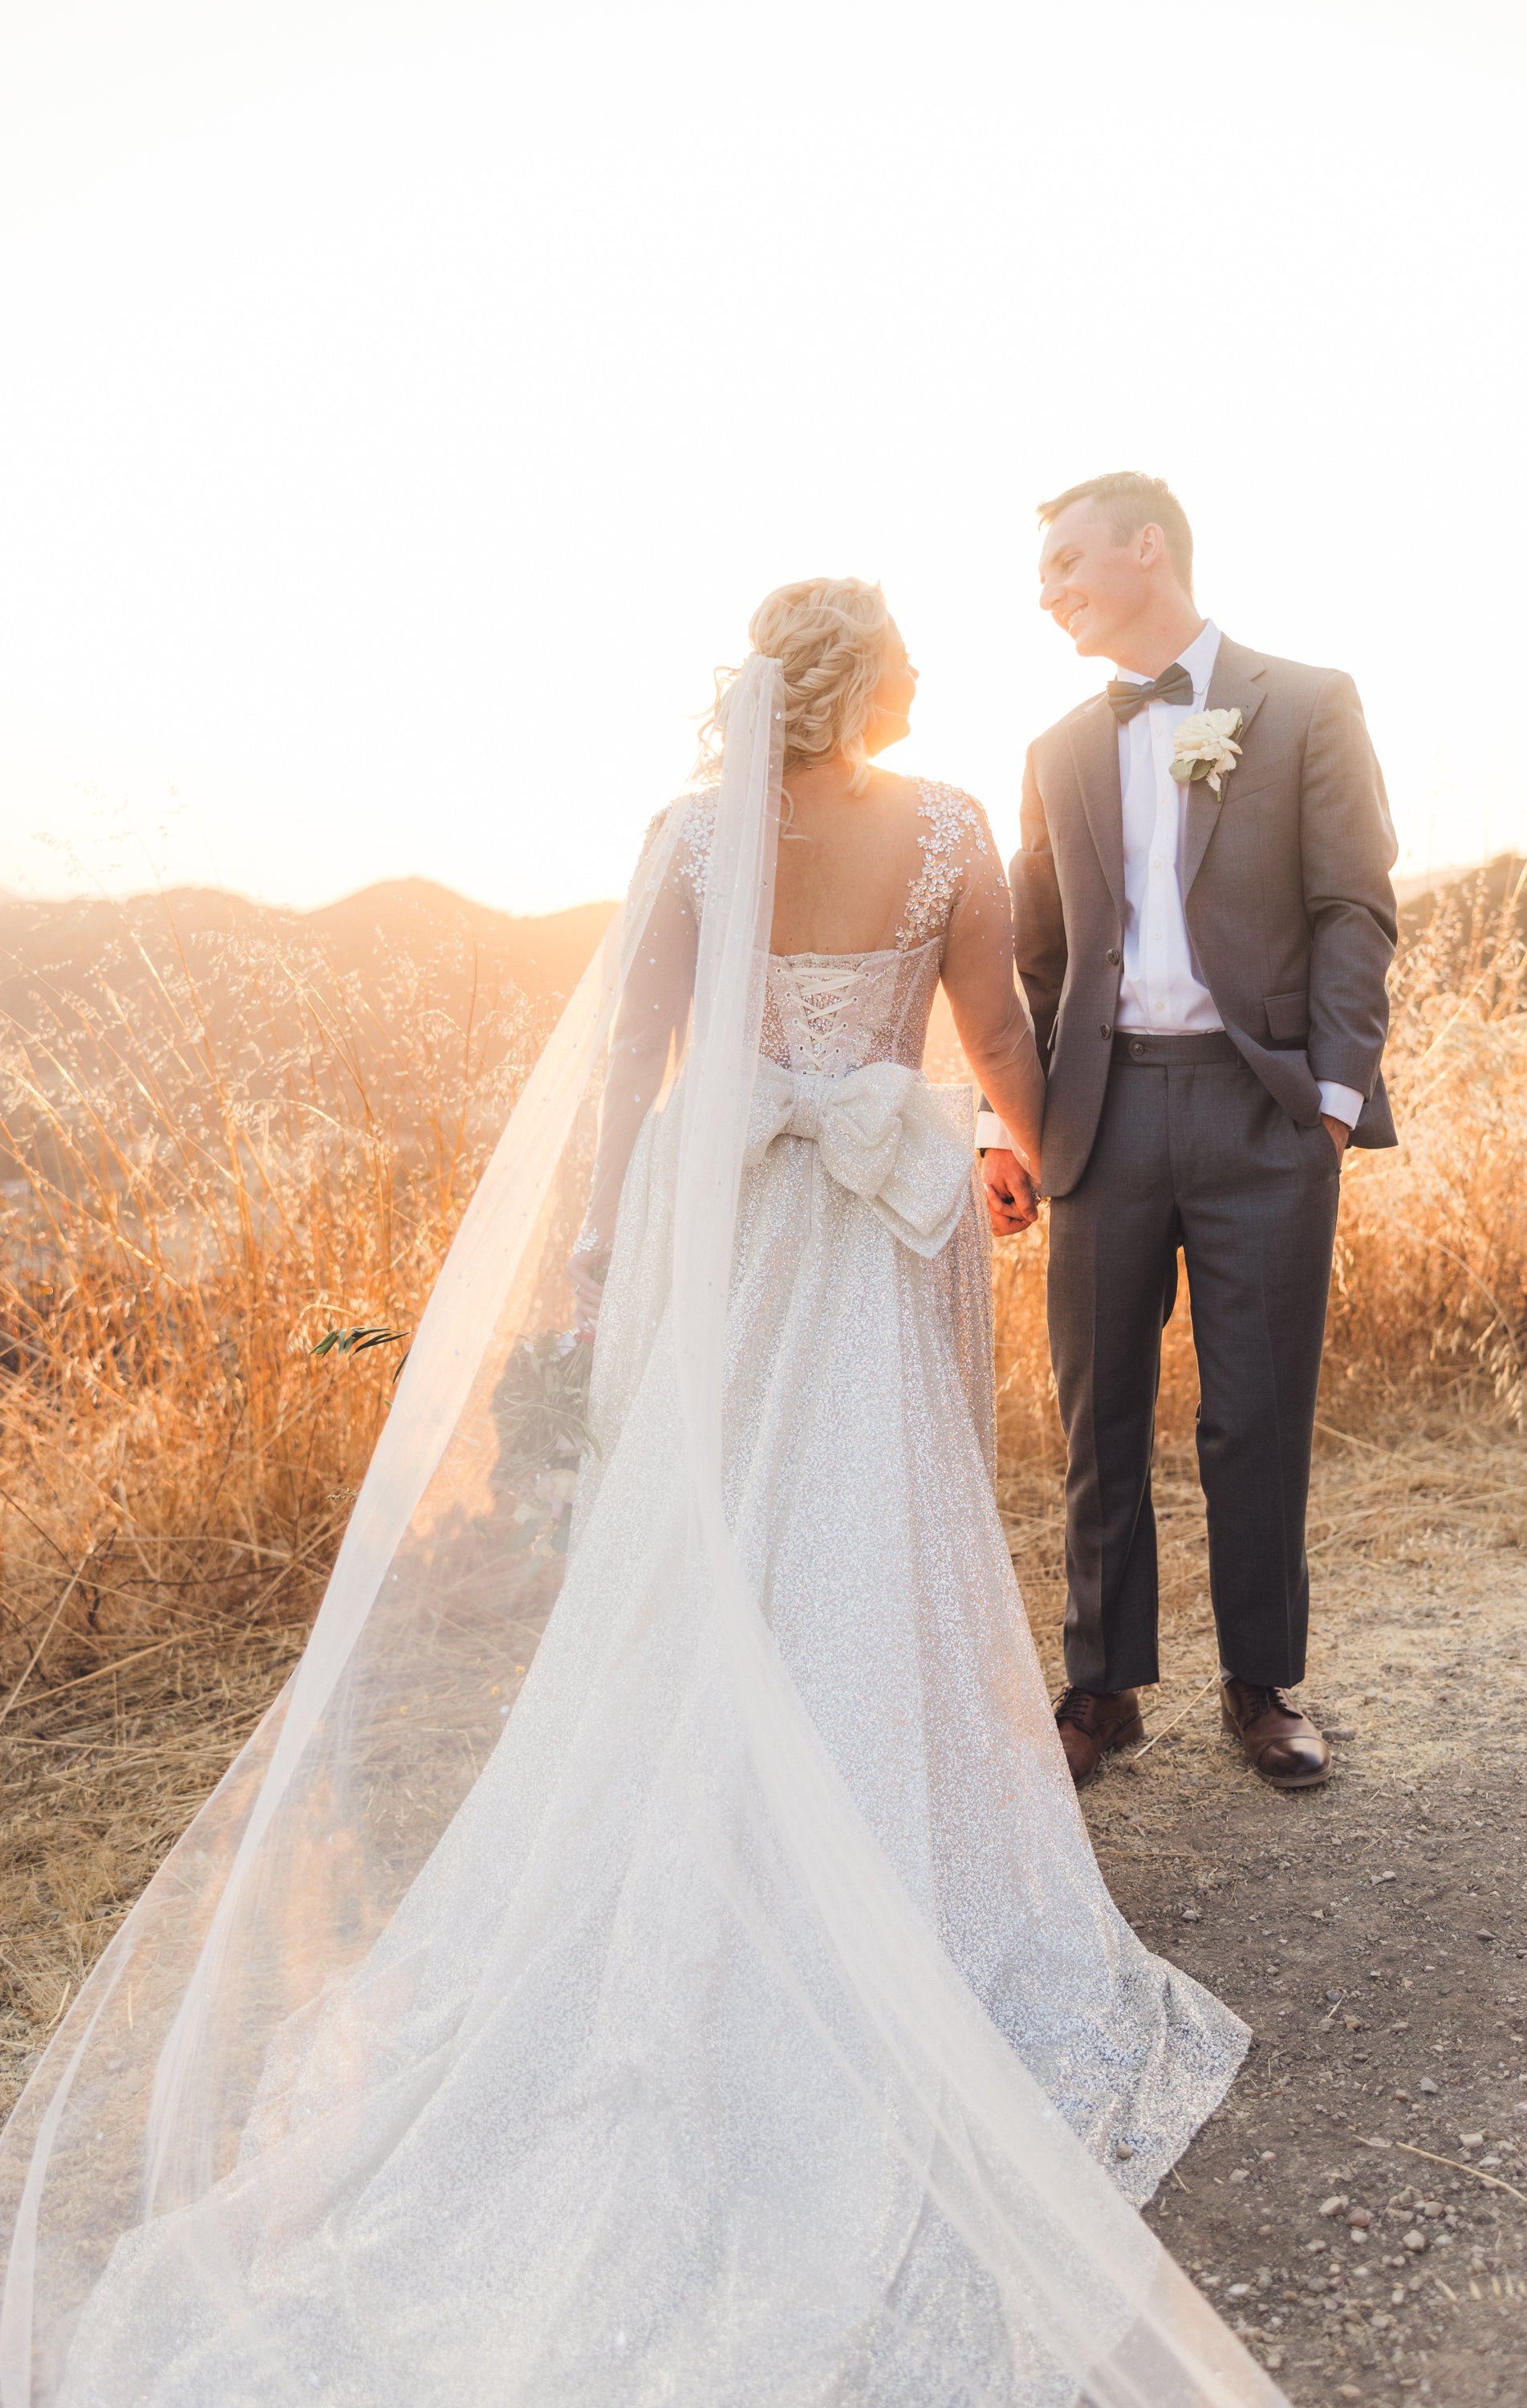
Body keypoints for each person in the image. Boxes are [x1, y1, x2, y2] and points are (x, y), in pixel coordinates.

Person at [0, 580, 1281, 2407]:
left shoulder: (690, 837)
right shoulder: (943, 832)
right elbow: (992, 1026)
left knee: (709, 1535)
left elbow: (630, 1058)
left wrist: (609, 1238)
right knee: (875, 1512)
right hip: (866, 1228)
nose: (919, 675)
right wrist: (1027, 1150)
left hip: (730, 1218)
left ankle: (730, 1808)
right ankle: (874, 1846)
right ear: (875, 682)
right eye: (905, 656)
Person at [979, 474, 1397, 1792]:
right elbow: (1032, 966)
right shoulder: (1053, 750)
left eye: (1064, 563)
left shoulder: (1307, 701)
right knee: (1095, 1411)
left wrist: (1332, 1098)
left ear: (1144, 548)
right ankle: (1103, 1687)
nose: (1046, 592)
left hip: (1262, 1109)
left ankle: (1261, 1683)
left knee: (1256, 1415)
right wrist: (1012, 1131)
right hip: (1097, 1121)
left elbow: (1353, 906)